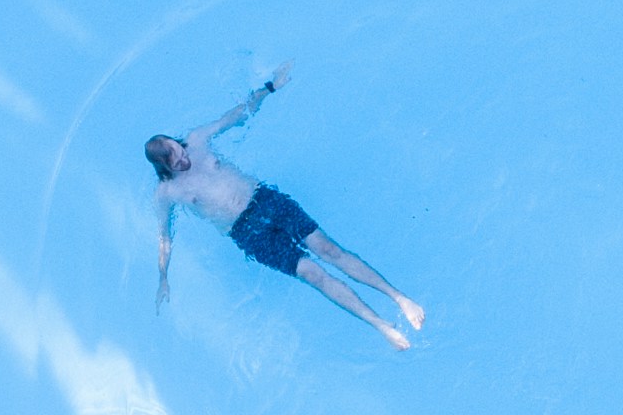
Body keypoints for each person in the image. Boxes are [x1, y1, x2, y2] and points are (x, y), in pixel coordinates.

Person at [149, 64, 426, 349]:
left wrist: (270, 88)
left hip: (265, 199)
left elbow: (235, 115)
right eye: (178, 162)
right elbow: (164, 236)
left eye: (181, 151)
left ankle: (399, 297)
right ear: (165, 168)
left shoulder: (196, 140)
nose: (185, 159)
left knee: (329, 249)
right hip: (247, 233)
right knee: (312, 273)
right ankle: (381, 326)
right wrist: (163, 277)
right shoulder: (168, 192)